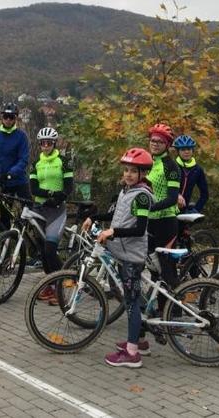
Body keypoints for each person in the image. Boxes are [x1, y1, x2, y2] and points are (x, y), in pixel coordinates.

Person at [81, 148, 154, 368]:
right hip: (122, 252)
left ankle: (132, 355)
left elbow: (139, 229)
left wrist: (113, 232)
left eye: (134, 171)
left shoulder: (142, 196)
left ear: (143, 174)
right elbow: (116, 217)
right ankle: (140, 341)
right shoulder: (127, 191)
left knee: (130, 303)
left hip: (132, 255)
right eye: (126, 170)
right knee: (133, 298)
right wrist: (93, 218)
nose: (129, 174)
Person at [29, 127, 74, 305]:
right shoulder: (36, 164)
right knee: (42, 252)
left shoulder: (64, 161)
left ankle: (60, 288)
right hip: (40, 209)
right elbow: (34, 189)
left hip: (56, 210)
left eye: (49, 143)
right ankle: (50, 286)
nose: (45, 146)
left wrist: (56, 198)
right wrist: (50, 194)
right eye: (42, 143)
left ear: (54, 143)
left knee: (50, 249)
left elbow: (68, 188)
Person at [146, 124, 181, 293]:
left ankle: (174, 310)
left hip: (166, 221)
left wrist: (150, 207)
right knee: (153, 267)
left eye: (160, 141)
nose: (155, 144)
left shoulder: (171, 166)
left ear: (167, 145)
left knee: (166, 268)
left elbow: (173, 198)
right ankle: (158, 307)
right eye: (153, 140)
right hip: (149, 221)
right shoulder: (147, 163)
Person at [0, 102, 31, 229]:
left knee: (30, 213)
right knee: (4, 218)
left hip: (19, 181)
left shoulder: (21, 136)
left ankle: (36, 243)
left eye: (11, 117)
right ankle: (5, 244)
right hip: (5, 183)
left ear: (16, 118)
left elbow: (23, 160)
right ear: (1, 117)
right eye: (5, 117)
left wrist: (11, 173)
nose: (8, 120)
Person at [173, 135, 208, 214]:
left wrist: (196, 210)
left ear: (192, 150)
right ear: (178, 151)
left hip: (183, 212)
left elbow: (205, 194)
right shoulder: (172, 166)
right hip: (168, 210)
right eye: (183, 149)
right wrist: (176, 195)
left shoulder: (197, 170)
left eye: (189, 149)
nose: (186, 152)